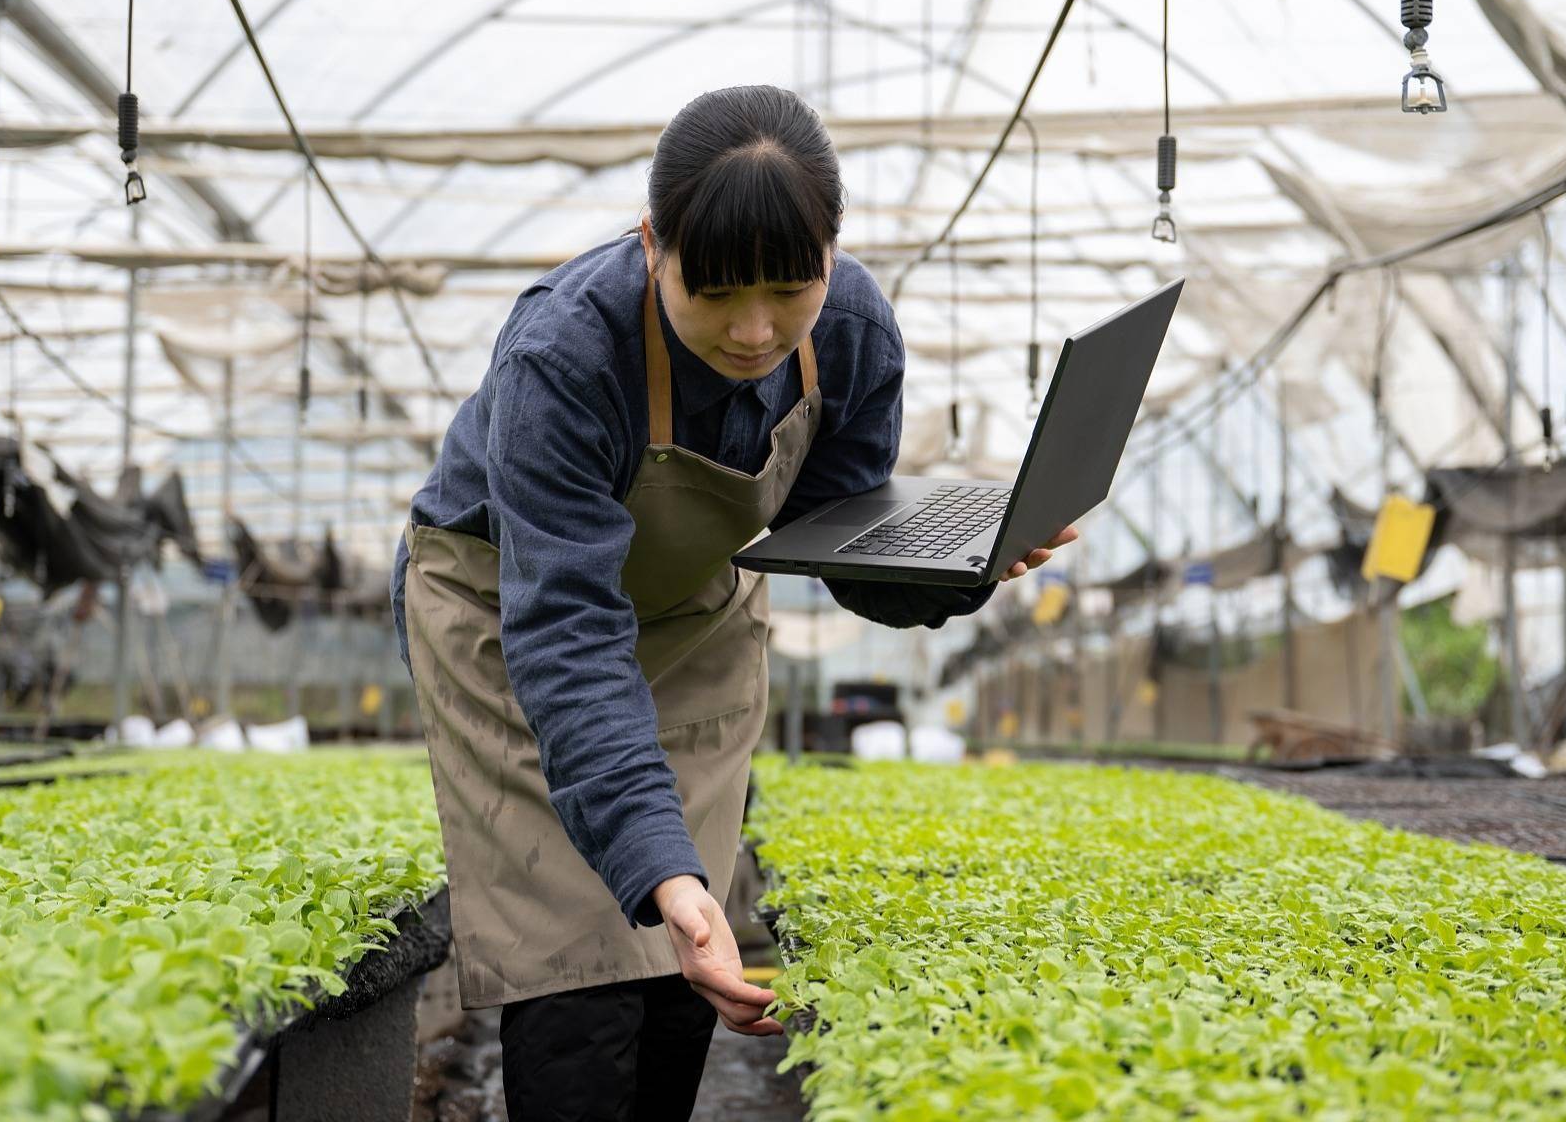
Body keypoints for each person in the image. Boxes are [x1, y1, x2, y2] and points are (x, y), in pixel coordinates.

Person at [393, 83, 1075, 1121]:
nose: (755, 332)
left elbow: (839, 553)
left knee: (681, 965)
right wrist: (657, 873)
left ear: (831, 257)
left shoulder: (850, 334)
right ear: (651, 244)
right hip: (515, 618)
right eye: (713, 295)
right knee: (578, 966)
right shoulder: (562, 358)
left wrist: (964, 567)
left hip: (699, 610)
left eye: (787, 291)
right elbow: (569, 637)